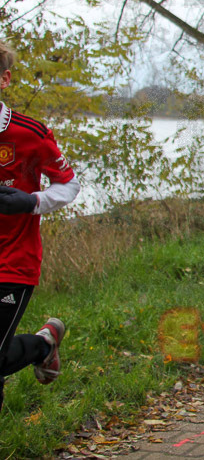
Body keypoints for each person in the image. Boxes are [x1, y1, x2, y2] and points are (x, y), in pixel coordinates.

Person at [0, 40, 80, 414]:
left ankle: (43, 346)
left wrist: (31, 202)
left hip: (13, 261)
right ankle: (44, 344)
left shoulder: (29, 133)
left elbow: (69, 185)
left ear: (5, 79)